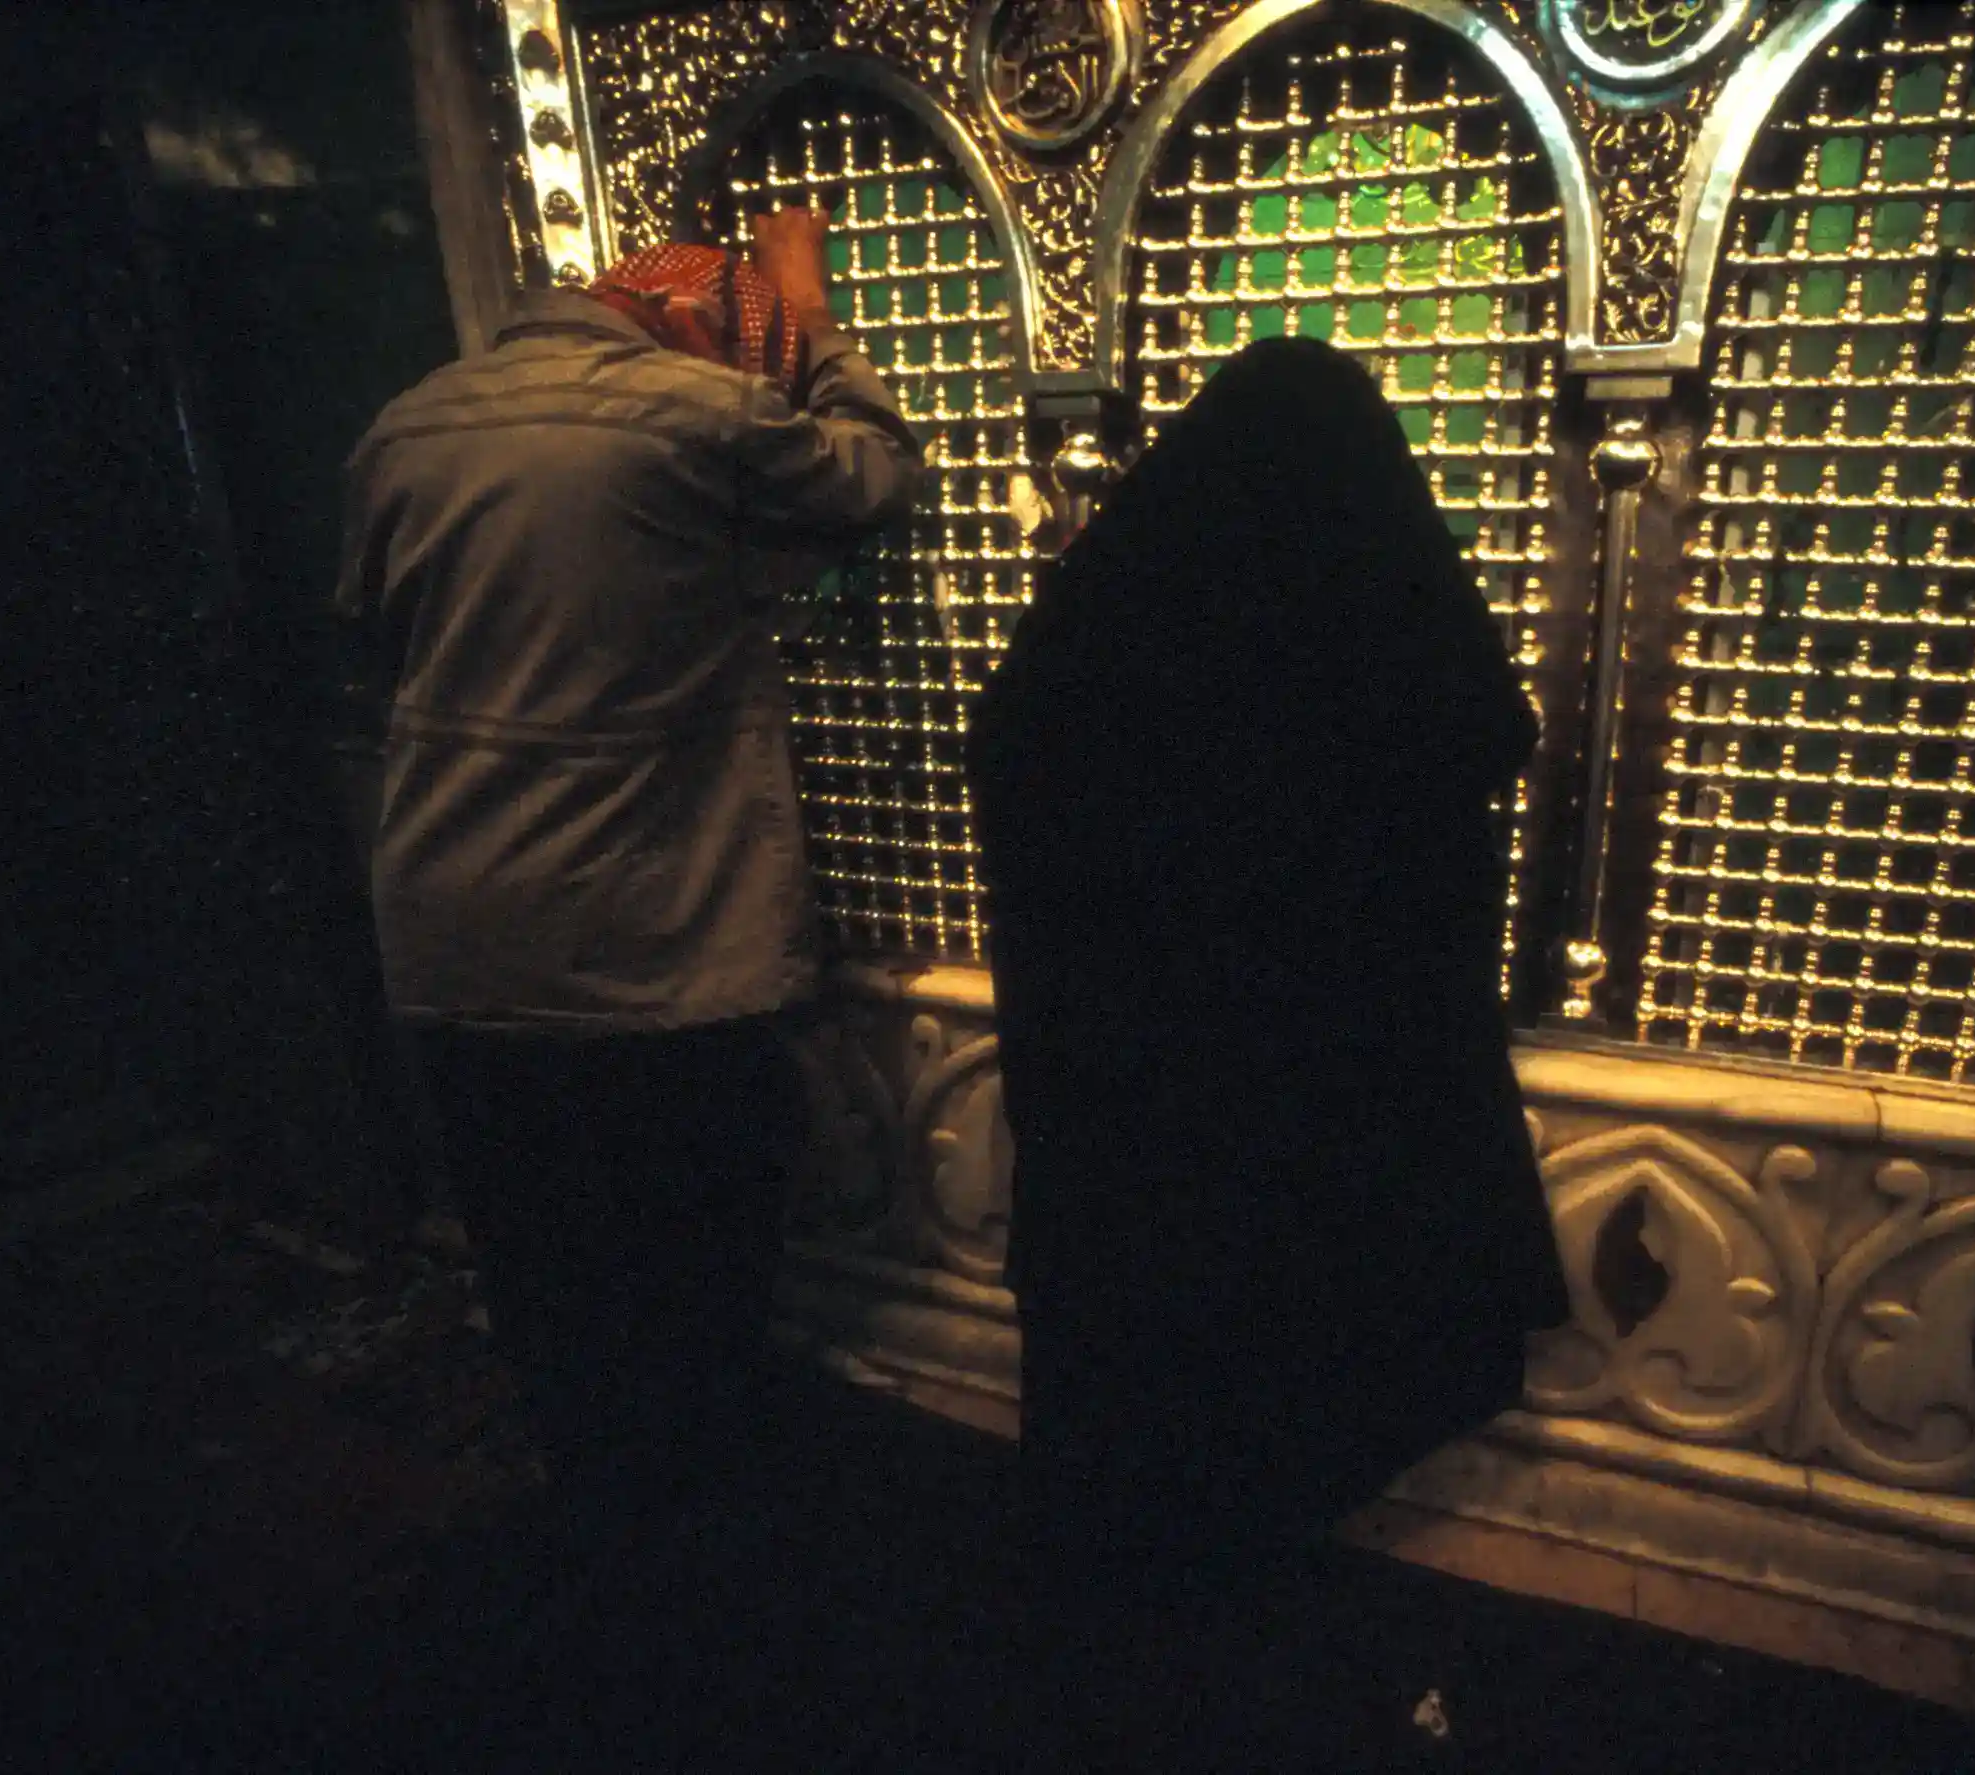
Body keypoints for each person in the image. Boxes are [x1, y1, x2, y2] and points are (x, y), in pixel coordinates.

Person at [968, 335, 1572, 1764]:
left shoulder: (1091, 635)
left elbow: (1019, 766)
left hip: (1123, 1124)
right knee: (1277, 1420)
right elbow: (1488, 731)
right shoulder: (1377, 641)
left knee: (1140, 1446)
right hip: (1316, 1133)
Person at [331, 214, 921, 1622]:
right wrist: (814, 318)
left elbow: (368, 638)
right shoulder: (690, 413)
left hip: (447, 931)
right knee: (691, 1254)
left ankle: (595, 1547)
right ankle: (711, 1585)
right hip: (645, 938)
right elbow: (879, 475)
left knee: (541, 1264)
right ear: (700, 332)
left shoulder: (404, 427)